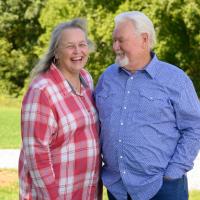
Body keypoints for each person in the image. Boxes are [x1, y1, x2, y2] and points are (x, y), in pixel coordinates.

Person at [95, 11, 200, 200]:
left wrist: (173, 171)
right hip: (117, 188)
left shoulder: (175, 79)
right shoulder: (107, 78)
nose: (114, 47)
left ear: (144, 39)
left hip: (163, 188)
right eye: (114, 41)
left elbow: (194, 127)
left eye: (121, 41)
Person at [18, 18, 101, 200]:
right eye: (70, 46)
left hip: (85, 192)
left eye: (82, 44)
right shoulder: (42, 91)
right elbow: (37, 156)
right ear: (56, 51)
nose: (78, 51)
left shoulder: (86, 79)